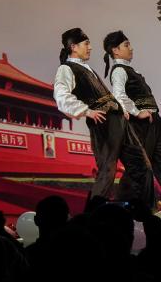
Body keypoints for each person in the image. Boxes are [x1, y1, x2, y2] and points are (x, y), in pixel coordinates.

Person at [52, 28, 151, 203]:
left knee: (142, 166)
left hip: (119, 120)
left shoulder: (86, 67)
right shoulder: (67, 68)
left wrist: (120, 109)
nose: (90, 48)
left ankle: (131, 207)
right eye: (86, 44)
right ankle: (93, 213)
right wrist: (86, 111)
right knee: (107, 171)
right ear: (73, 47)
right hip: (103, 123)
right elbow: (61, 95)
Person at [104, 30, 161, 206]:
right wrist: (137, 112)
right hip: (140, 126)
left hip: (153, 123)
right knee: (139, 169)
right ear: (115, 50)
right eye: (126, 45)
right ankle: (125, 206)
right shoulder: (119, 71)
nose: (131, 48)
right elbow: (119, 95)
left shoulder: (130, 70)